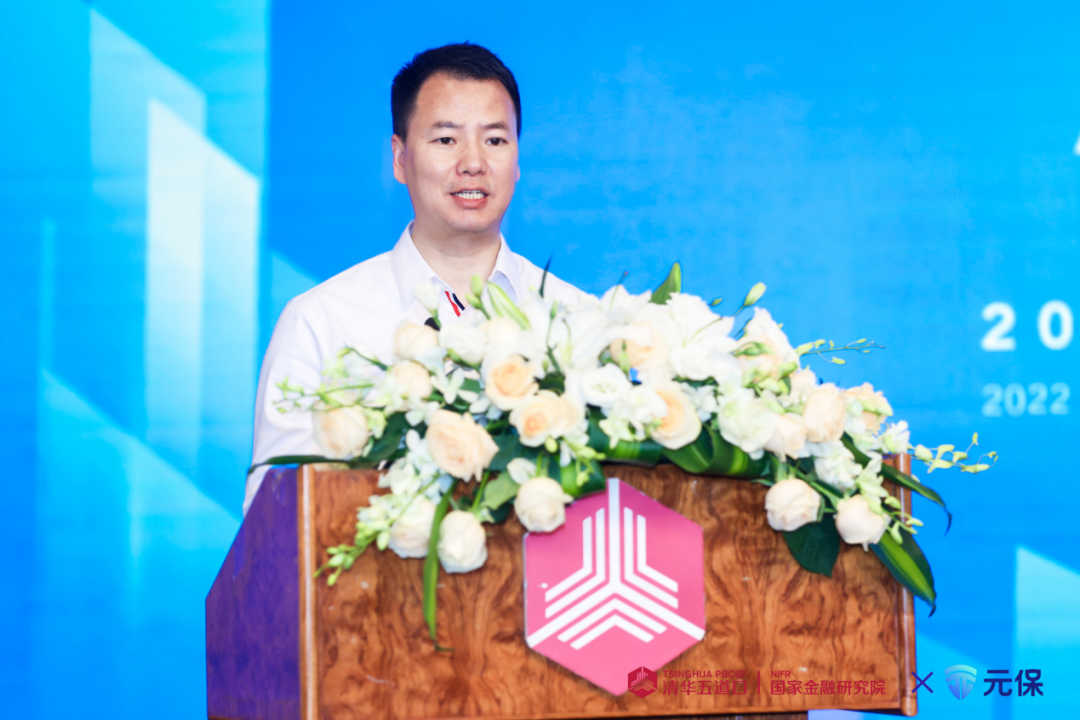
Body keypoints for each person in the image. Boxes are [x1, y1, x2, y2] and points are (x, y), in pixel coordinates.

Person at [245, 43, 582, 514]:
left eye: (495, 140)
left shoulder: (576, 321)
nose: (473, 162)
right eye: (446, 140)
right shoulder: (321, 322)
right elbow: (275, 517)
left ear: (518, 158)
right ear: (400, 158)